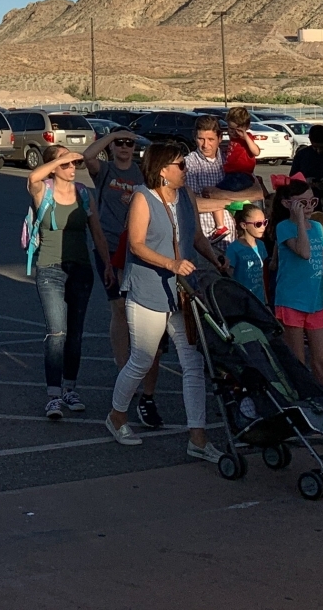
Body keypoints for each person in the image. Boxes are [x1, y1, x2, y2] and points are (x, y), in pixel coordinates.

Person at [104, 140, 223, 462]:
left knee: (193, 363)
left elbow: (195, 236)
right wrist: (171, 263)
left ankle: (197, 437)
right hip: (148, 290)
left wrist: (216, 260)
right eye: (181, 165)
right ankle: (117, 416)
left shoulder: (185, 196)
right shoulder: (143, 197)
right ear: (162, 170)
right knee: (142, 359)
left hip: (183, 292)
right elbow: (136, 244)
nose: (186, 170)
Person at [26, 148, 112, 419]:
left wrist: (108, 265)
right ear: (53, 166)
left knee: (75, 334)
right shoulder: (44, 190)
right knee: (57, 333)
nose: (72, 167)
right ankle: (53, 395)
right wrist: (60, 159)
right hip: (50, 269)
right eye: (66, 163)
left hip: (81, 269)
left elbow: (97, 233)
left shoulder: (84, 194)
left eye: (75, 163)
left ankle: (70, 389)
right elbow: (32, 177)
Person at [83, 128, 146, 373]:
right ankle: (122, 364)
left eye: (129, 143)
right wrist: (112, 135)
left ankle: (137, 357)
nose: (124, 147)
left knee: (135, 306)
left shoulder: (140, 172)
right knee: (118, 305)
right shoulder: (105, 170)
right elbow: (88, 157)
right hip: (108, 245)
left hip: (136, 246)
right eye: (119, 143)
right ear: (111, 146)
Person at [271, 177, 323, 397]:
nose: (309, 207)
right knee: (297, 363)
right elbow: (304, 252)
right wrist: (299, 220)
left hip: (315, 301)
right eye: (302, 203)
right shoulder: (284, 227)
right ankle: (302, 404)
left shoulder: (317, 227)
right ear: (287, 203)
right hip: (292, 301)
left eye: (312, 202)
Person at [224, 201, 271, 303]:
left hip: (259, 301)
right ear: (244, 225)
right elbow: (229, 277)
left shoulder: (261, 245)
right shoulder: (234, 248)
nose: (263, 227)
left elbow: (262, 277)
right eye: (258, 224)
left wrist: (266, 302)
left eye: (265, 222)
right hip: (242, 301)